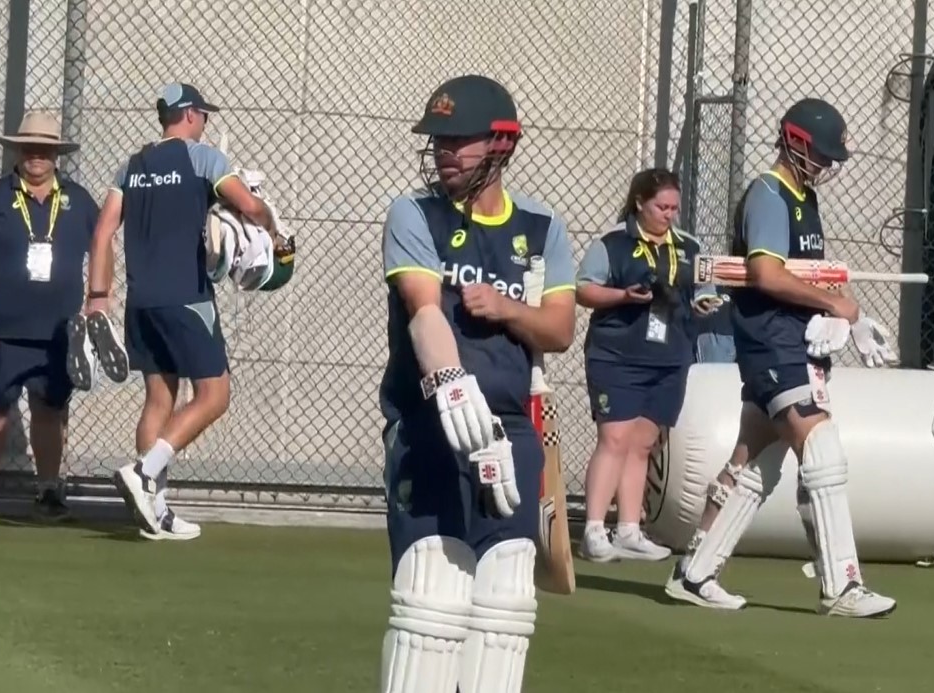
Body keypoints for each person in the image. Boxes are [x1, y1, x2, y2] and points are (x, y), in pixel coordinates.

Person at [377, 74, 576, 693]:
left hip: (513, 434)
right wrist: (448, 379)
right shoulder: (415, 213)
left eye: (457, 141)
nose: (442, 153)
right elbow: (423, 307)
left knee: (503, 613)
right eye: (437, 140)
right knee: (430, 606)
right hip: (433, 426)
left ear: (500, 145)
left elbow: (561, 329)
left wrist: (509, 310)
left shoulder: (543, 230)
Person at [664, 98, 899, 617]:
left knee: (753, 463)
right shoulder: (770, 195)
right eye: (820, 153)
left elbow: (800, 277)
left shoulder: (802, 196)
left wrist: (839, 318)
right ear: (794, 142)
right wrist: (836, 304)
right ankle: (842, 586)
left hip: (787, 339)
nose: (827, 164)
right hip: (771, 342)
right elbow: (767, 273)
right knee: (823, 450)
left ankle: (694, 572)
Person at [80, 82, 279, 541]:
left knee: (159, 400)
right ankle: (145, 474)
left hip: (142, 301)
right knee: (215, 395)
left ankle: (156, 511)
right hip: (187, 298)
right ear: (189, 115)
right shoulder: (204, 158)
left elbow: (103, 232)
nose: (205, 123)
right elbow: (247, 205)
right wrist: (272, 222)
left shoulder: (133, 165)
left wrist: (98, 297)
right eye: (203, 115)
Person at [0, 111, 99, 521]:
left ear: (56, 155)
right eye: (29, 148)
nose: (36, 156)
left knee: (50, 409)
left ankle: (49, 490)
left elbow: (103, 249)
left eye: (45, 149)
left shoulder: (79, 200)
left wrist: (97, 304)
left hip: (57, 332)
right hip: (0, 331)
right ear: (17, 150)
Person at [574, 168, 722, 563]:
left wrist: (705, 303)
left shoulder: (691, 247)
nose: (669, 214)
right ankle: (593, 530)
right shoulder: (612, 244)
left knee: (642, 444)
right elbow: (584, 289)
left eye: (674, 207)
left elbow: (707, 289)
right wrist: (622, 295)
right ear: (640, 202)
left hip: (669, 358)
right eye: (661, 207)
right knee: (615, 439)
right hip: (617, 356)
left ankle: (628, 530)